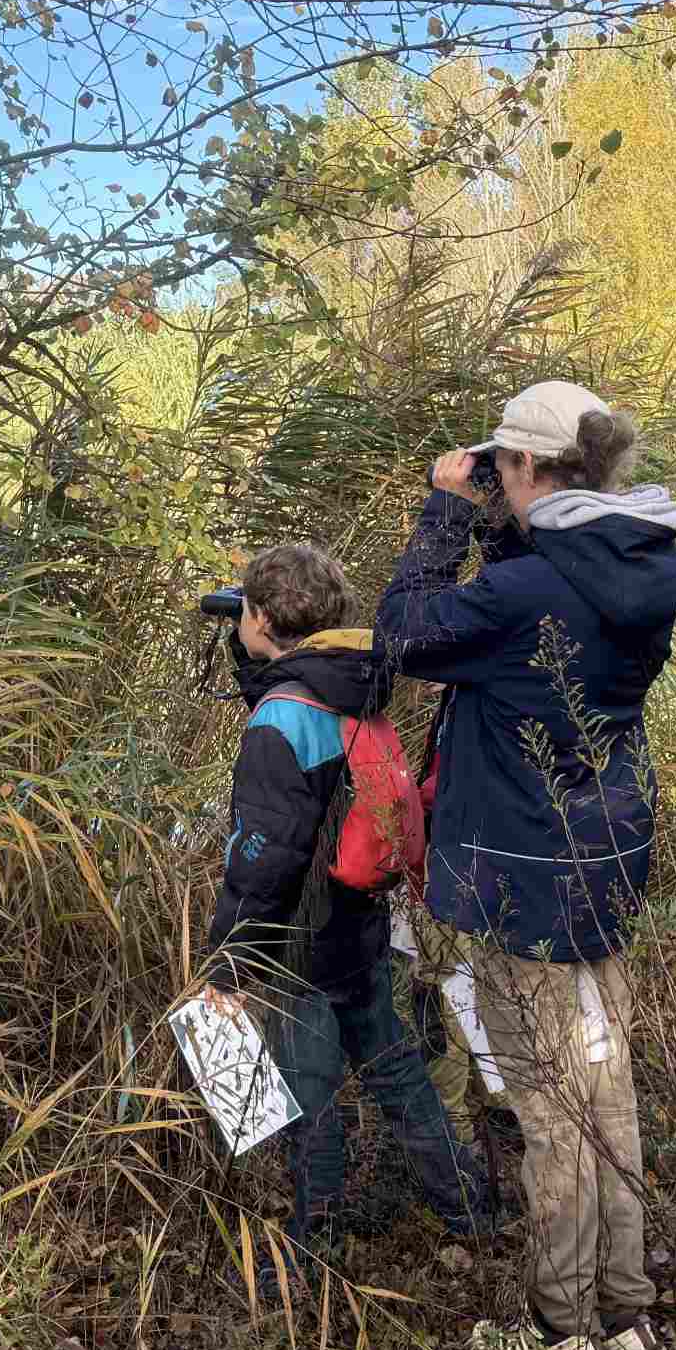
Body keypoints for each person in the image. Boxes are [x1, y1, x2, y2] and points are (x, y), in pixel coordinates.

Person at [374, 380, 676, 1350]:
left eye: (501, 464)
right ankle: (628, 1314)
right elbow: (527, 602)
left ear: (524, 469)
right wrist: (507, 516)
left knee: (551, 1108)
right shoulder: (635, 563)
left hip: (519, 881)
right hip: (598, 866)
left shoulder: (519, 594)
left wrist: (444, 510)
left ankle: (562, 1332)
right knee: (608, 1095)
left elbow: (403, 633)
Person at [203, 543, 493, 1299]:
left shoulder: (284, 715)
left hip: (300, 939)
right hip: (361, 917)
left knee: (311, 1091)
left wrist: (228, 961)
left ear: (259, 618)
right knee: (396, 1070)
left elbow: (263, 850)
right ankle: (467, 1208)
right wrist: (257, 670)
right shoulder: (355, 682)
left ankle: (310, 1246)